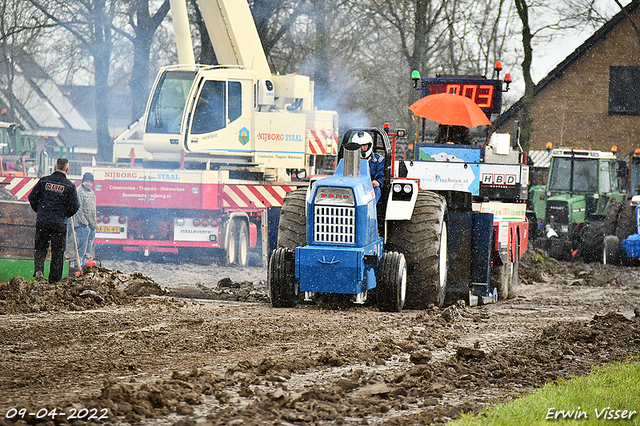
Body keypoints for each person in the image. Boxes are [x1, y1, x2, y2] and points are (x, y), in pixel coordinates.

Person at [28, 158, 79, 283]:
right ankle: (54, 281)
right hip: (59, 223)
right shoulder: (70, 186)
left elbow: (32, 197)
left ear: (55, 167)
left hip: (43, 220)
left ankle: (39, 271)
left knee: (40, 248)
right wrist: (64, 214)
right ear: (67, 169)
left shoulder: (44, 181)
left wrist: (40, 211)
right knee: (58, 252)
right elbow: (75, 206)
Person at [72, 172, 97, 266]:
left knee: (88, 247)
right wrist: (84, 223)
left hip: (91, 224)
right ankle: (78, 264)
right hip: (81, 224)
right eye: (87, 182)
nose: (89, 184)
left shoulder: (92, 193)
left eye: (91, 182)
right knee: (81, 246)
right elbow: (79, 209)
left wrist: (93, 224)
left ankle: (86, 263)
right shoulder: (79, 192)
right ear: (83, 181)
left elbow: (93, 209)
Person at [352, 132, 384, 203]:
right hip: (354, 187)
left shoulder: (378, 160)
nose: (362, 148)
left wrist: (378, 182)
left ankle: (370, 209)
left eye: (365, 145)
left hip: (370, 188)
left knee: (377, 190)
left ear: (369, 145)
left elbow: (382, 176)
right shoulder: (350, 160)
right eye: (360, 146)